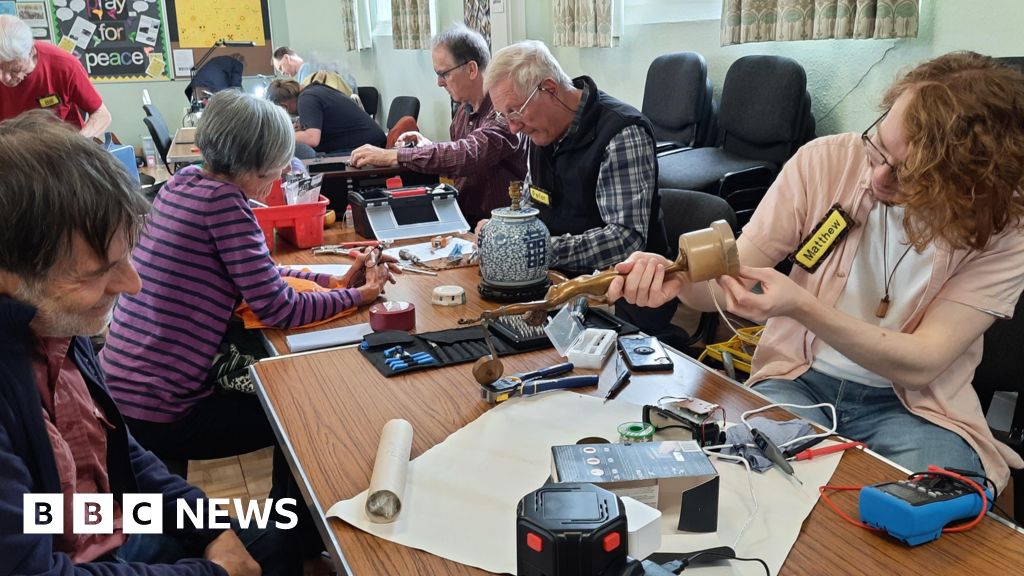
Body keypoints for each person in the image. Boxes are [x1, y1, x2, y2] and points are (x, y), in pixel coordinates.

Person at [609, 52, 1024, 491]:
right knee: (745, 487)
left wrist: (802, 306)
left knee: (931, 513)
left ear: (971, 183)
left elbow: (922, 364)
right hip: (798, 381)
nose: (880, 176)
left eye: (911, 175)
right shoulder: (825, 162)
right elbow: (732, 277)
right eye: (879, 146)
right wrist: (678, 280)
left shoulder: (1005, 226)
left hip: (915, 410)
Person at [0, 110, 295, 574]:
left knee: (288, 533)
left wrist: (209, 530)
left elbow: (122, 452)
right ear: (9, 276)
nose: (132, 284)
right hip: (79, 553)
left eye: (126, 258)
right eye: (99, 271)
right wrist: (211, 570)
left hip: (101, 523)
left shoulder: (55, 325)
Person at [99, 91, 398, 504]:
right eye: (276, 166)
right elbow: (278, 307)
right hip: (161, 408)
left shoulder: (185, 183)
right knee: (302, 411)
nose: (277, 178)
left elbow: (256, 273)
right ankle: (295, 542)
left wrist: (331, 283)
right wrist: (360, 297)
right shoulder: (226, 206)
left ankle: (292, 538)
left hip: (121, 387)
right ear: (255, 163)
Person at [482, 40, 674, 335]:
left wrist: (536, 249)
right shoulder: (540, 133)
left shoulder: (621, 133)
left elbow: (626, 239)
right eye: (503, 116)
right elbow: (532, 207)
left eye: (515, 112)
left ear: (548, 88)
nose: (513, 128)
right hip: (558, 287)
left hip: (622, 298)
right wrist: (504, 232)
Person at [349, 24, 527, 226]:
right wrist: (427, 146)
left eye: (444, 74)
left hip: (502, 230)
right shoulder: (462, 113)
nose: (439, 83)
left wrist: (394, 155)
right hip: (465, 223)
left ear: (471, 69)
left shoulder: (504, 111)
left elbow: (467, 155)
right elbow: (456, 160)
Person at [0, 15, 111, 137]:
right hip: (11, 145)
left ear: (31, 51)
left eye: (15, 70)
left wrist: (78, 142)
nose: (4, 78)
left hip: (61, 144)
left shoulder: (64, 66)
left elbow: (101, 114)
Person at [267, 78, 385, 157]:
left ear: (284, 106)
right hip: (367, 141)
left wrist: (277, 136)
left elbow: (311, 138)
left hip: (365, 147)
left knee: (301, 156)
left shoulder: (306, 99)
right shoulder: (314, 92)